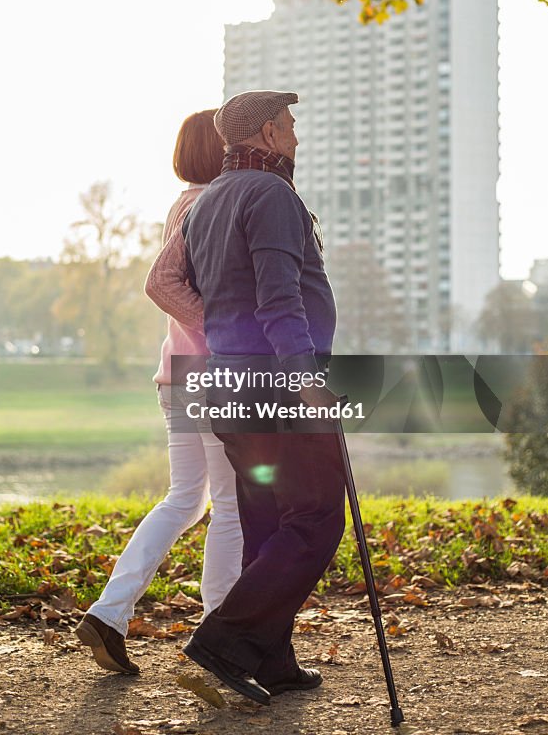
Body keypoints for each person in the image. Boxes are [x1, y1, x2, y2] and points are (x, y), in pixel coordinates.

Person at [180, 90, 346, 706]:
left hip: (228, 384)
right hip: (276, 385)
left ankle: (272, 660)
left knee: (266, 521)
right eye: (292, 126)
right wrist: (306, 381)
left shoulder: (207, 202)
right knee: (317, 516)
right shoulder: (272, 195)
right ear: (270, 134)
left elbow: (207, 291)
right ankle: (223, 643)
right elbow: (279, 299)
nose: (298, 138)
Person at [75, 110, 243, 675]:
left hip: (177, 375)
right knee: (230, 504)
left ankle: (108, 613)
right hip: (210, 373)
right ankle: (223, 634)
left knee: (187, 498)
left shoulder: (184, 203)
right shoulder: (206, 205)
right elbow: (168, 287)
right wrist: (223, 334)